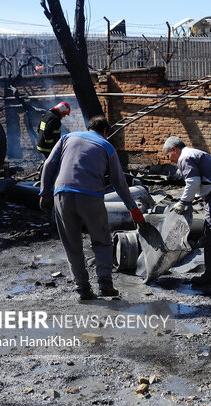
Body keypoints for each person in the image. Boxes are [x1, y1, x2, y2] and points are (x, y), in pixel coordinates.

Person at [39, 115, 146, 300]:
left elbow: (49, 164)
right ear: (105, 131)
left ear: (88, 127)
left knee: (72, 244)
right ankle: (105, 284)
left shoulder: (67, 138)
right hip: (90, 196)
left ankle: (83, 288)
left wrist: (43, 192)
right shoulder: (106, 146)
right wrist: (133, 208)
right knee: (101, 240)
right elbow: (119, 182)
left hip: (62, 194)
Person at [162, 136, 211, 296]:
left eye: (168, 156)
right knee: (209, 236)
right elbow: (200, 182)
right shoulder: (191, 154)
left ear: (174, 150)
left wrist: (183, 202)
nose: (170, 160)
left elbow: (193, 182)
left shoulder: (185, 157)